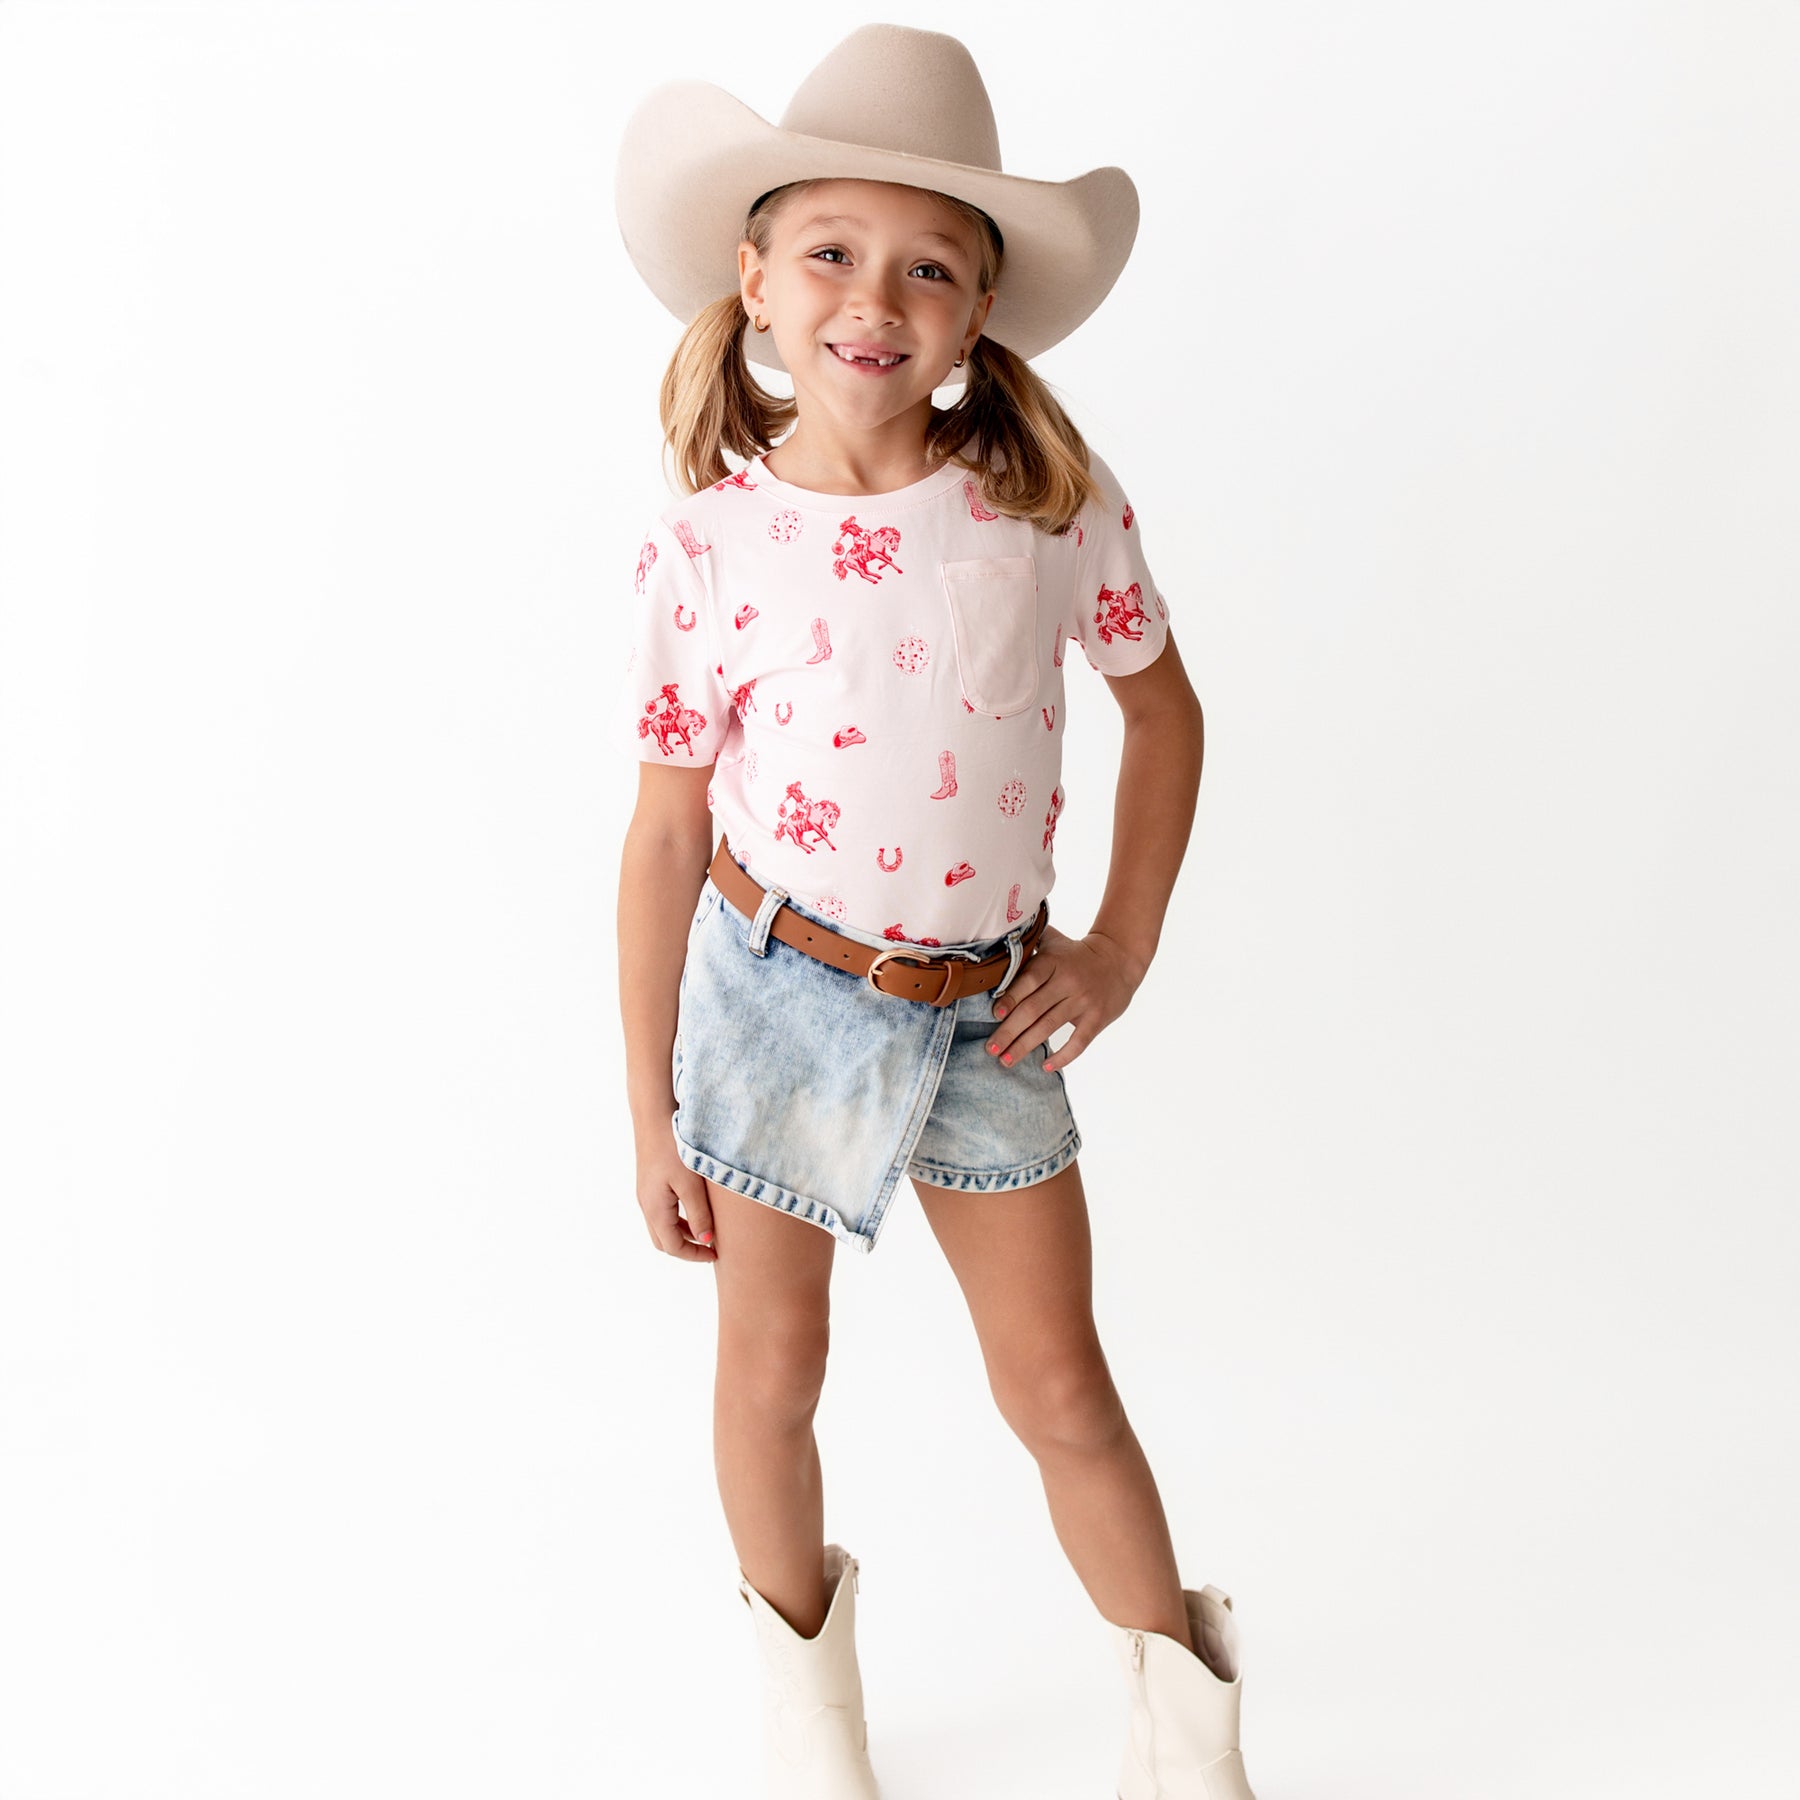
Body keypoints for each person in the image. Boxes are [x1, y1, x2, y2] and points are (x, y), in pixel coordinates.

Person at [612, 25, 1259, 1800]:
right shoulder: (706, 545)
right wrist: (644, 1096)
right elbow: (665, 833)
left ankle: (1188, 1730)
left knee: (1059, 1387)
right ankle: (813, 1726)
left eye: (928, 265)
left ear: (978, 314)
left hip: (987, 1011)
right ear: (756, 279)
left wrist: (1116, 945)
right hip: (773, 996)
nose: (872, 297)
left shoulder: (1041, 508)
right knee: (774, 1373)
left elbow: (1165, 711)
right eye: (829, 250)